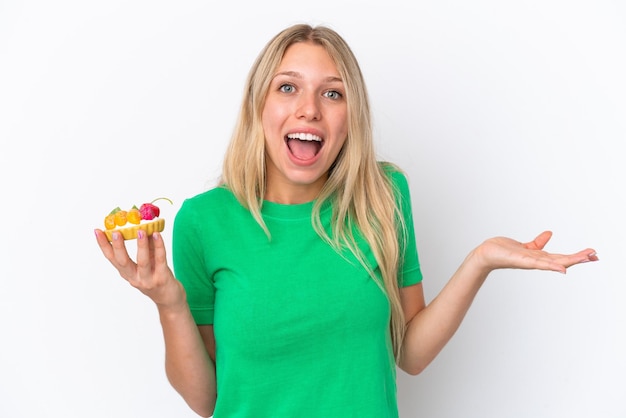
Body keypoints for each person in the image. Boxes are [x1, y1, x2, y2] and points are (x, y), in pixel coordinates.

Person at [94, 23, 598, 418]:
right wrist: (171, 304)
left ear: (350, 115)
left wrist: (480, 261)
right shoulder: (206, 220)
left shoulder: (383, 195)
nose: (309, 109)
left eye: (332, 94)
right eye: (287, 88)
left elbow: (412, 355)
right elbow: (207, 401)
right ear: (258, 107)